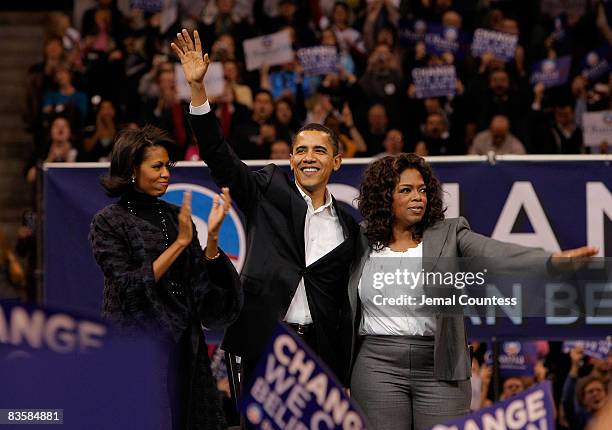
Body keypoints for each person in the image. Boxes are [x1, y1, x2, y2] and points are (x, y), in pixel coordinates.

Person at [348, 153, 598, 430]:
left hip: (440, 365)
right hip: (376, 365)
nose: (418, 197)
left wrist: (552, 261)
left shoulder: (449, 233)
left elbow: (498, 254)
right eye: (406, 190)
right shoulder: (361, 238)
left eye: (422, 190)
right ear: (384, 197)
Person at [171, 29, 359, 389]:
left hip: (322, 353)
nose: (308, 158)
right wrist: (198, 89)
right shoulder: (267, 189)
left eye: (319, 151)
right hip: (263, 341)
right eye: (301, 151)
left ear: (336, 161)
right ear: (290, 160)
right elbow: (219, 157)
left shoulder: (350, 229)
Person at [89, 125, 242, 430]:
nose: (165, 174)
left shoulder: (175, 217)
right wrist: (181, 244)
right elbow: (129, 287)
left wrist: (211, 238)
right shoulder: (108, 222)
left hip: (185, 352)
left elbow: (204, 294)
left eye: (167, 166)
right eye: (156, 166)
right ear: (133, 169)